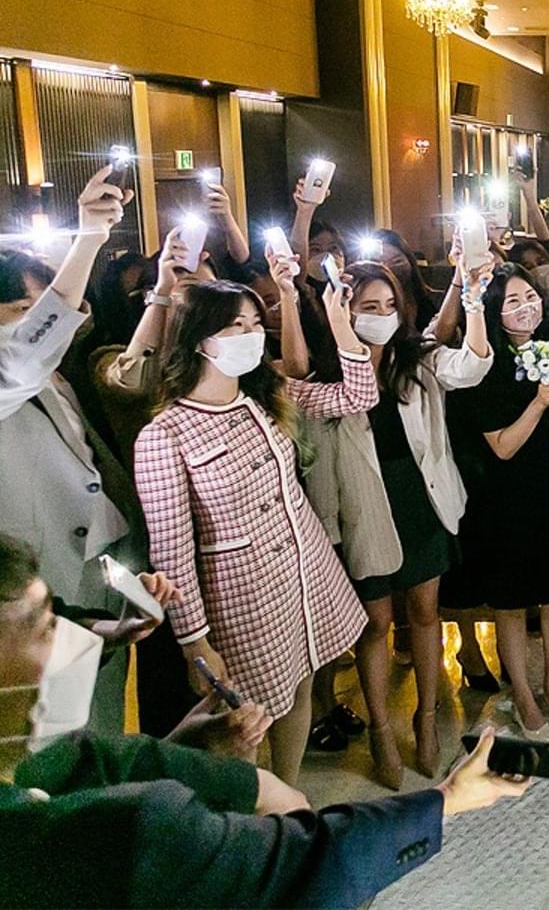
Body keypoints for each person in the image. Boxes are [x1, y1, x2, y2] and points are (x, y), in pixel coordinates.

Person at [0, 531, 532, 908]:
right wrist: (448, 798)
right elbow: (308, 863)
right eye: (46, 625)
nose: (75, 641)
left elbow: (102, 758)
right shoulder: (126, 832)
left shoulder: (46, 759)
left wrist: (190, 749)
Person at [134, 278, 376, 786]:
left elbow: (359, 395)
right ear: (199, 339)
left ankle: (289, 793)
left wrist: (339, 322)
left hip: (303, 571)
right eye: (234, 326)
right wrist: (194, 642)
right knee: (243, 722)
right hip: (241, 596)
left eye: (253, 323)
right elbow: (172, 552)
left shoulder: (266, 394)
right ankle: (251, 814)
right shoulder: (164, 434)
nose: (250, 334)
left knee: (301, 683)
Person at [325, 259, 492, 787]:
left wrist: (473, 298)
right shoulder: (330, 374)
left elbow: (472, 367)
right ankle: (380, 728)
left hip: (421, 496)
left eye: (389, 305)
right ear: (345, 310)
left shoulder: (417, 359)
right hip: (365, 503)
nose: (381, 315)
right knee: (375, 623)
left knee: (424, 611)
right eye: (368, 307)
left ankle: (426, 716)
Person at [0, 167, 144, 734]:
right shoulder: (14, 373)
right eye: (24, 312)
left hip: (101, 562)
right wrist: (88, 239)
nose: (43, 326)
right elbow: (25, 357)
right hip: (44, 576)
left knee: (103, 708)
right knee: (56, 728)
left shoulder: (55, 375)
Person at [446, 262, 549, 743]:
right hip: (504, 498)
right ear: (494, 311)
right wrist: (540, 401)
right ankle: (522, 693)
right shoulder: (485, 364)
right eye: (513, 301)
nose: (526, 307)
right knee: (512, 603)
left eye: (531, 297)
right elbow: (502, 447)